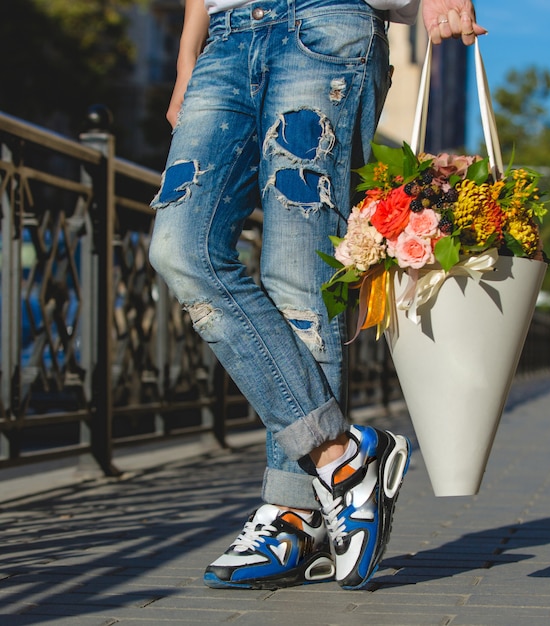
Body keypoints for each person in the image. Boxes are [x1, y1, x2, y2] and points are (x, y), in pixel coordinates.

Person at [149, 0, 485, 591]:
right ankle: (340, 456)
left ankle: (292, 517)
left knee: (298, 279)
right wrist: (187, 57)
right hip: (225, 40)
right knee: (180, 248)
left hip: (326, 26)